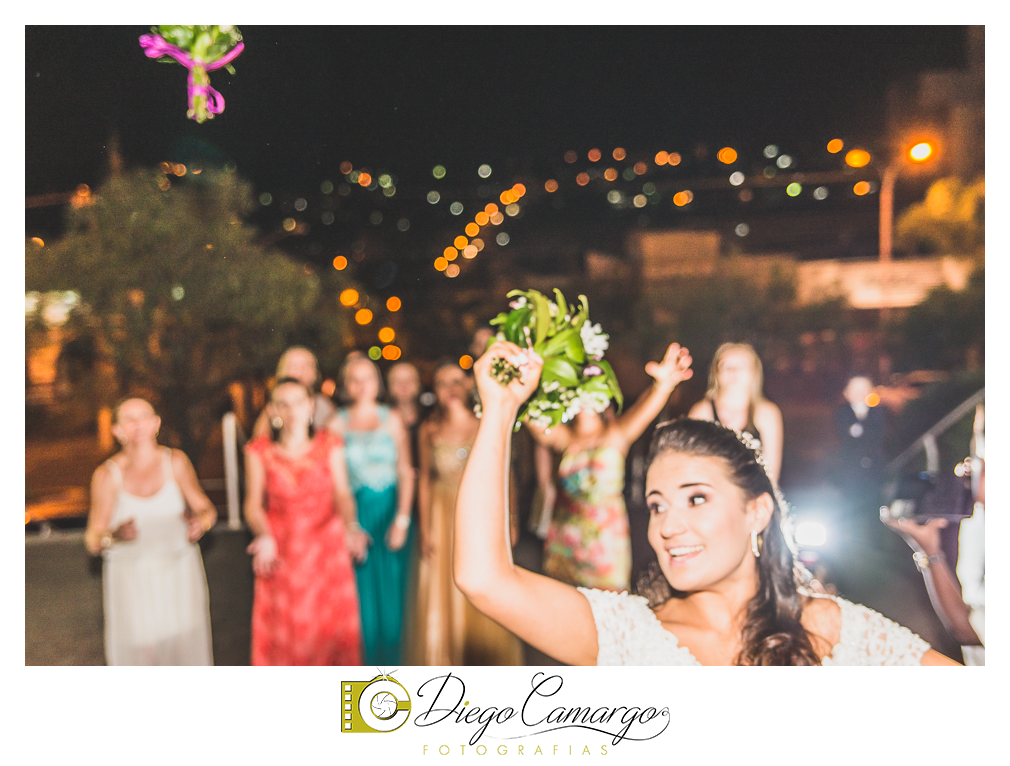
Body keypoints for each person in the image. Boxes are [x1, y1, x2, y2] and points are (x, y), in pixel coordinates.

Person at [453, 340, 959, 665]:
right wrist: (499, 410)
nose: (669, 525)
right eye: (656, 505)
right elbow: (483, 579)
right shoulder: (628, 633)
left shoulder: (832, 629)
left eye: (696, 498)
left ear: (757, 511)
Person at [526, 342, 692, 593]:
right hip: (566, 538)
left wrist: (663, 384)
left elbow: (646, 409)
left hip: (605, 542)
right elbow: (529, 414)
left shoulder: (616, 435)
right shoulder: (562, 438)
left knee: (606, 612)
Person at [243, 377, 369, 665]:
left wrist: (351, 527)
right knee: (289, 633)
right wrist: (263, 535)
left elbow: (343, 493)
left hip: (327, 550)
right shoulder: (258, 451)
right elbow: (252, 503)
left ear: (311, 406)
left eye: (299, 402)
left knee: (328, 632)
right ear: (273, 411)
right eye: (283, 404)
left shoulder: (330, 444)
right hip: (282, 550)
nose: (292, 411)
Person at [406, 361, 523, 665]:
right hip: (442, 514)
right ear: (435, 391)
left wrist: (510, 519)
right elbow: (425, 482)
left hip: (480, 513)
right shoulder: (429, 429)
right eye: (443, 383)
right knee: (444, 587)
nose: (451, 389)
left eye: (456, 381)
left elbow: (504, 472)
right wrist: (426, 529)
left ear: (470, 385)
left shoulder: (485, 422)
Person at [85, 397, 216, 665]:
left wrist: (200, 523)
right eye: (129, 419)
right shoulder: (108, 475)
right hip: (133, 584)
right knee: (142, 657)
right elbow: (92, 540)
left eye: (144, 416)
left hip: (179, 576)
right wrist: (114, 535)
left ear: (156, 423)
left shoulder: (175, 462)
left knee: (184, 654)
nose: (138, 424)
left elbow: (207, 510)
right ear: (117, 431)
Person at [882, 404, 985, 665]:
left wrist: (930, 552)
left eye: (980, 461)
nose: (965, 469)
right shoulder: (978, 519)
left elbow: (968, 629)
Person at [330, 354, 415, 666]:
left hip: (392, 514)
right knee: (361, 603)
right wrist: (350, 525)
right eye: (353, 379)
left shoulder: (392, 418)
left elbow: (406, 471)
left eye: (367, 377)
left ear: (377, 383)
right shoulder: (336, 423)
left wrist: (403, 519)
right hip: (357, 516)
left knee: (396, 603)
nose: (361, 385)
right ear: (345, 385)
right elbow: (335, 483)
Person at [688, 342, 783, 484]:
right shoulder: (702, 412)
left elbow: (772, 472)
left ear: (754, 372)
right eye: (726, 366)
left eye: (742, 366)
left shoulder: (767, 413)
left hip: (752, 493)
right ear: (716, 372)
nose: (734, 371)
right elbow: (690, 464)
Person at [252, 346, 335, 438]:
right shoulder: (274, 408)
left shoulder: (324, 405)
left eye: (307, 365)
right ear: (282, 372)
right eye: (294, 366)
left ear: (316, 373)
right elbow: (259, 442)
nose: (301, 371)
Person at [833, 375, 886, 503]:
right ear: (846, 392)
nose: (860, 394)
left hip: (874, 469)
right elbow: (844, 435)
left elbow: (881, 436)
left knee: (873, 501)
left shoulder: (879, 413)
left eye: (864, 390)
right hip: (850, 469)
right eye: (855, 390)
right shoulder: (842, 413)